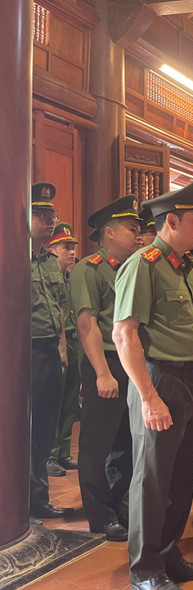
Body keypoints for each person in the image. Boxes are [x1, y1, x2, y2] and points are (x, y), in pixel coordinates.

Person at [112, 179, 193, 590]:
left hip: (190, 380)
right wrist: (149, 396)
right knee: (152, 480)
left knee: (182, 475)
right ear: (171, 221)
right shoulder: (144, 264)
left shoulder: (184, 267)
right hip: (160, 382)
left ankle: (170, 554)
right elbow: (124, 335)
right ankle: (146, 568)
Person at [70, 196, 143, 541]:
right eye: (132, 229)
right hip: (108, 361)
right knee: (98, 444)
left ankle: (120, 503)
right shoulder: (90, 268)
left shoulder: (132, 269)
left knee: (127, 441)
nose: (139, 235)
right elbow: (87, 324)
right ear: (109, 232)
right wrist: (101, 372)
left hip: (132, 362)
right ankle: (99, 514)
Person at [29, 182, 72, 519]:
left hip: (48, 354)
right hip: (21, 354)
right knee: (21, 430)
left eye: (51, 214)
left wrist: (60, 351)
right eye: (41, 214)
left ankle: (38, 498)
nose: (50, 220)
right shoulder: (14, 255)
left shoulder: (49, 261)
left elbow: (59, 309)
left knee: (44, 428)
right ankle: (20, 500)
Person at [45, 223, 81, 478]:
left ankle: (63, 451)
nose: (71, 252)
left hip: (75, 341)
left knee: (70, 402)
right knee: (53, 402)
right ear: (52, 249)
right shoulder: (48, 278)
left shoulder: (72, 277)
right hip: (57, 343)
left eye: (73, 247)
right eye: (66, 247)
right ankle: (50, 453)